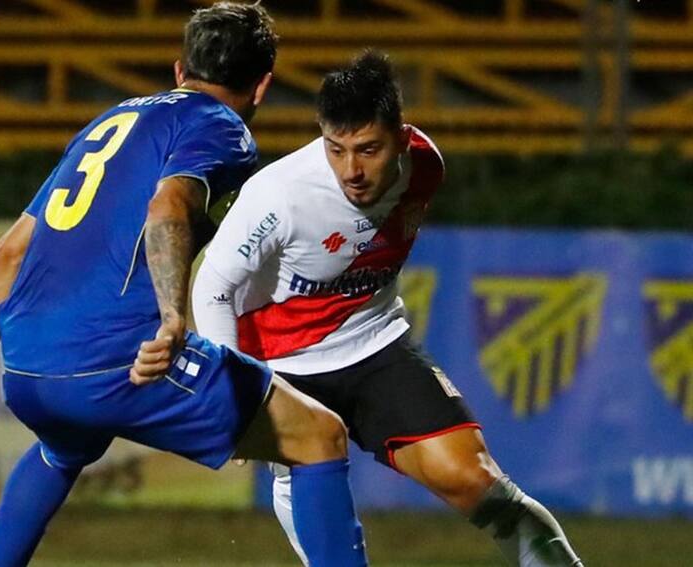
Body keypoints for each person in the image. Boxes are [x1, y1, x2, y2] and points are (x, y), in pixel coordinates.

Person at [0, 4, 368, 566]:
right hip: (121, 359)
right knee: (320, 437)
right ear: (262, 86)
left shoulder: (108, 123)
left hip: (26, 371)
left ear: (178, 69)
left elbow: (4, 256)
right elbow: (169, 205)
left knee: (65, 447)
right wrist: (172, 318)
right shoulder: (220, 126)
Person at [191, 50, 585, 567]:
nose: (351, 171)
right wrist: (234, 393)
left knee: (476, 483)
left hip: (375, 344)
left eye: (368, 149)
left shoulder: (425, 166)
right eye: (336, 149)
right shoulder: (279, 196)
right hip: (285, 367)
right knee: (327, 530)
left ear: (401, 138)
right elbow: (213, 287)